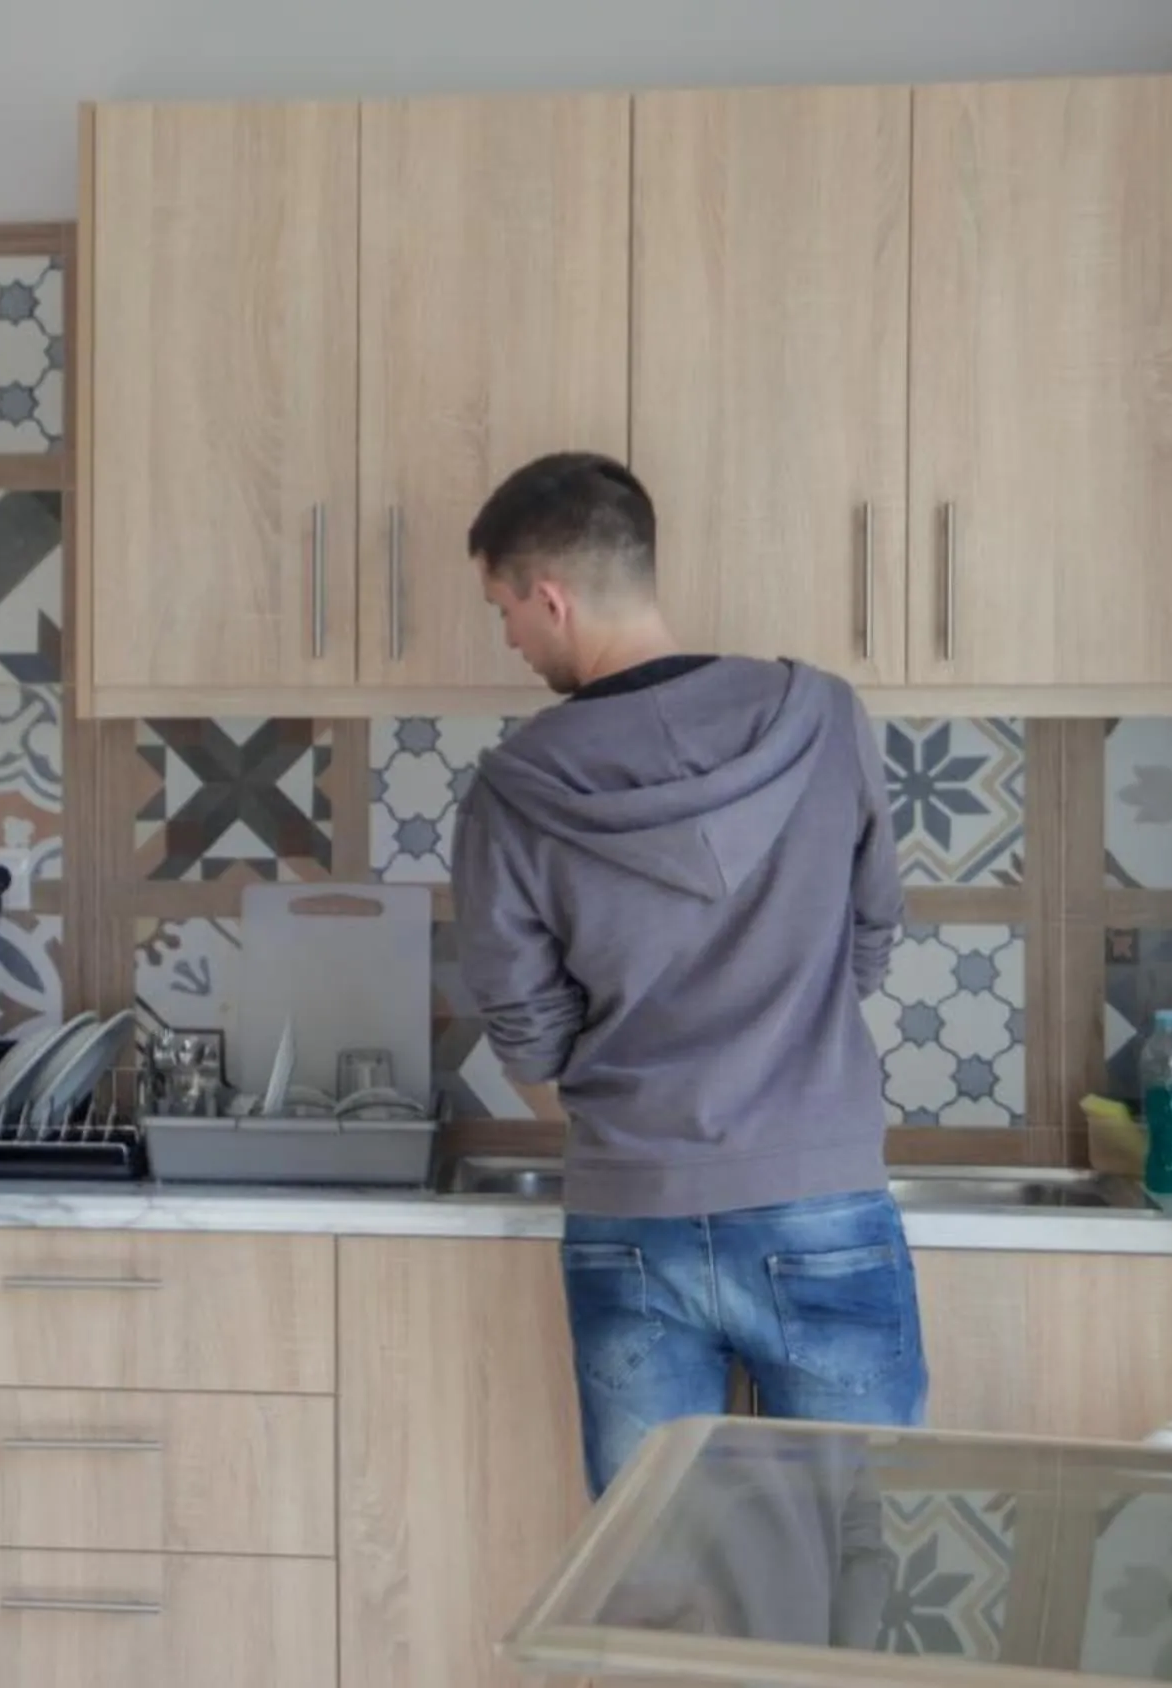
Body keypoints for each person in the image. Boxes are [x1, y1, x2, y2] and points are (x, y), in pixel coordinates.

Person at [448, 452, 923, 1497]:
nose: (511, 640)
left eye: (503, 610)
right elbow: (872, 940)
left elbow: (527, 1037)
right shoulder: (827, 718)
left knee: (648, 1571)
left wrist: (642, 1123)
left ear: (552, 595)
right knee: (856, 1551)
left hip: (631, 1217)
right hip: (820, 1202)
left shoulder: (511, 795)